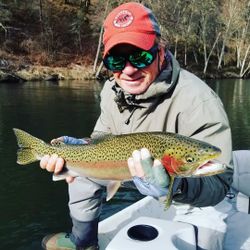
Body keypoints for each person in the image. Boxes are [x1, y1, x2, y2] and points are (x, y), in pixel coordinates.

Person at [40, 2, 233, 250]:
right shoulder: (112, 89)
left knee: (205, 238)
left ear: (160, 52)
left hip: (186, 188)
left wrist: (175, 186)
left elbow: (219, 184)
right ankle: (83, 241)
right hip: (128, 168)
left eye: (140, 57)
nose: (129, 70)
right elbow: (103, 136)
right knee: (80, 177)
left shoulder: (199, 101)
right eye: (117, 61)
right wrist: (78, 150)